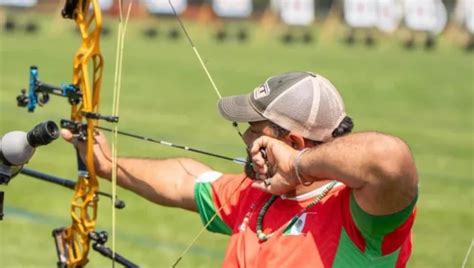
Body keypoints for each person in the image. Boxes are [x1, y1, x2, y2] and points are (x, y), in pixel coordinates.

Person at [62, 71, 418, 267]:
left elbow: (389, 158)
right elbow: (185, 181)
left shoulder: (362, 218)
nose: (246, 138)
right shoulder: (258, 194)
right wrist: (107, 166)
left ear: (292, 143)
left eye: (256, 131)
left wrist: (297, 166)